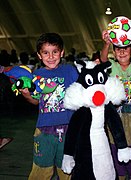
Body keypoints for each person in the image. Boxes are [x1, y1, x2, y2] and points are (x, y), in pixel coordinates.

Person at [19, 33, 78, 180]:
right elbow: (36, 101)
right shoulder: (36, 75)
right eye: (46, 53)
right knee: (41, 170)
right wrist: (26, 94)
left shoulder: (70, 71)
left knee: (66, 170)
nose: (51, 57)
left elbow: (81, 94)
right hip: (44, 131)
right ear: (39, 55)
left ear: (62, 52)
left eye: (55, 52)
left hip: (68, 129)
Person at [101, 24, 131, 180]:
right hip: (114, 113)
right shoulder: (112, 67)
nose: (122, 51)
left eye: (126, 49)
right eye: (118, 49)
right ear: (114, 53)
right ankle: (120, 175)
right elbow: (103, 59)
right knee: (115, 147)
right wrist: (107, 43)